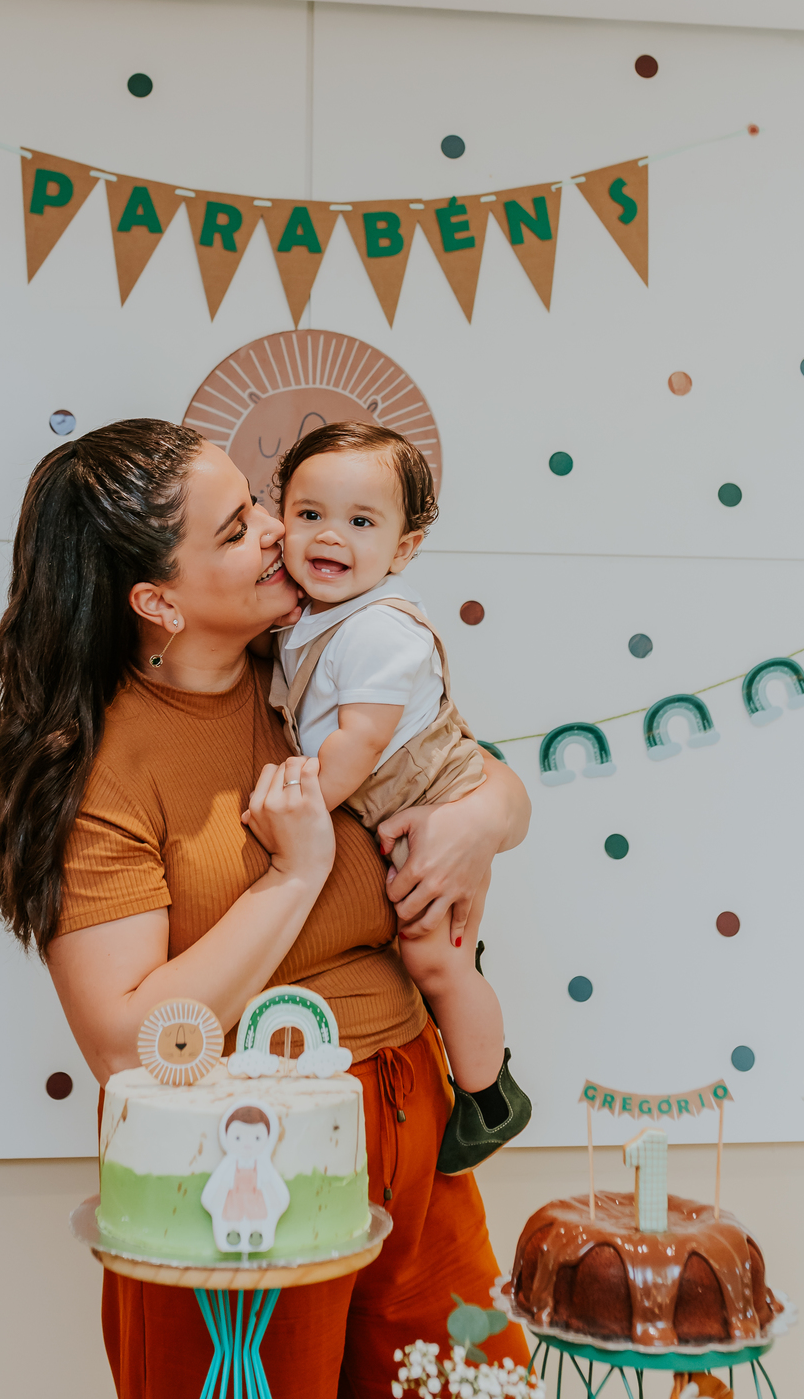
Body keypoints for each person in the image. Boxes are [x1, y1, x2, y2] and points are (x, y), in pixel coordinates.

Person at [0, 419, 531, 1399]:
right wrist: (293, 874)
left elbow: (462, 765)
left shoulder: (321, 654)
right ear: (158, 600)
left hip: (411, 1118)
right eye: (237, 528)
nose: (280, 530)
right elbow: (124, 1041)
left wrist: (486, 817)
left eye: (260, 503)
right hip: (236, 1167)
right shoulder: (103, 770)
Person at [265, 420, 529, 1173]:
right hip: (397, 808)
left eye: (361, 522)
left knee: (435, 963)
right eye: (310, 513)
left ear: (403, 549)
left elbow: (358, 744)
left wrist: (299, 808)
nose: (330, 536)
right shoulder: (310, 613)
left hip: (431, 799)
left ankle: (489, 1099)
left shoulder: (378, 629)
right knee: (433, 955)